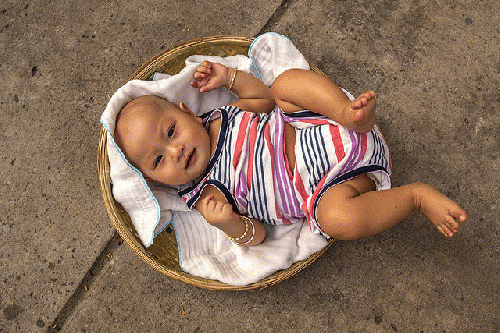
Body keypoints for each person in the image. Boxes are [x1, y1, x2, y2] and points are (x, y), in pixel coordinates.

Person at [114, 61, 467, 246]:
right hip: (329, 187)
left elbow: (264, 100)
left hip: (320, 125)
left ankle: (350, 113)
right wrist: (231, 225)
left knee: (283, 86)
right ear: (153, 180)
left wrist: (231, 77)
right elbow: (258, 236)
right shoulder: (205, 196)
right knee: (336, 220)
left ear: (188, 112)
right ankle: (415, 197)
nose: (175, 151)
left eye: (171, 131)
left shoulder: (220, 117)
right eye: (158, 160)